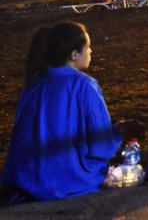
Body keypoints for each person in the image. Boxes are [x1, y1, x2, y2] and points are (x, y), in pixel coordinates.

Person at [2, 22, 123, 201]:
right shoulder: (85, 86)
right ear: (74, 54)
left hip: (25, 182)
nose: (91, 51)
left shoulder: (33, 85)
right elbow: (100, 146)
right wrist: (119, 133)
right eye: (88, 47)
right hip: (70, 183)